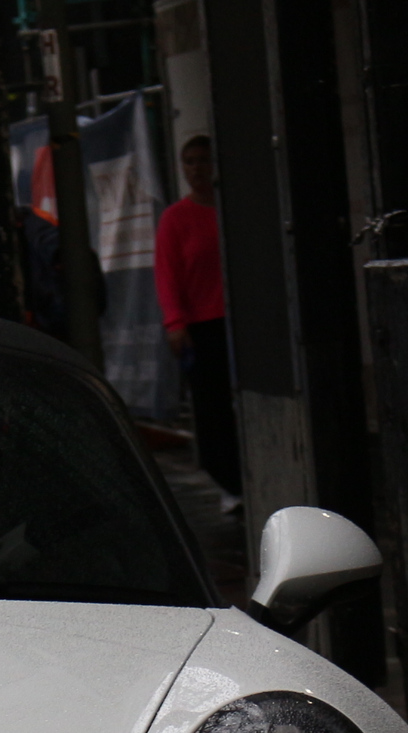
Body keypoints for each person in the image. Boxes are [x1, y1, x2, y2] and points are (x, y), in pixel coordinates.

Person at [154, 135, 240, 509]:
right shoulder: (175, 219)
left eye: (203, 160)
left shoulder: (232, 210)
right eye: (189, 161)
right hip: (203, 327)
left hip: (237, 323)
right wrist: (175, 322)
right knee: (212, 409)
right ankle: (228, 480)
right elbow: (167, 274)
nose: (196, 169)